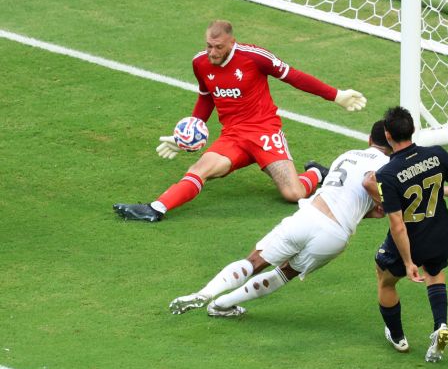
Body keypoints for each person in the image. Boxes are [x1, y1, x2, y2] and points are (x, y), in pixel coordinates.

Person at [113, 20, 367, 222]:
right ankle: (155, 209)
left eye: (218, 47)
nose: (212, 52)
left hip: (265, 132)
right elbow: (205, 97)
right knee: (199, 171)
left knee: (293, 194)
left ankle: (315, 173)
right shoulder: (200, 63)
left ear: (231, 42)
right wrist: (188, 134)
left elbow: (294, 77)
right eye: (209, 46)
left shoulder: (255, 57)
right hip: (233, 136)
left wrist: (336, 95)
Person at [168, 120, 391, 317]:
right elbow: (369, 204)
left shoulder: (347, 155)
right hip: (336, 234)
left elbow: (345, 191)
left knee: (254, 261)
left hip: (309, 216)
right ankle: (222, 305)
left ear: (369, 139)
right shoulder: (388, 167)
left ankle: (204, 293)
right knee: (285, 273)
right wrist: (388, 204)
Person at [372, 106, 448, 363]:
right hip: (440, 236)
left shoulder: (387, 174)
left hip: (412, 241)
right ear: (413, 129)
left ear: (387, 135)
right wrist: (435, 192)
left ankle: (398, 337)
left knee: (385, 278)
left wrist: (407, 263)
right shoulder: (437, 155)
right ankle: (441, 325)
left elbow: (398, 225)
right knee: (435, 274)